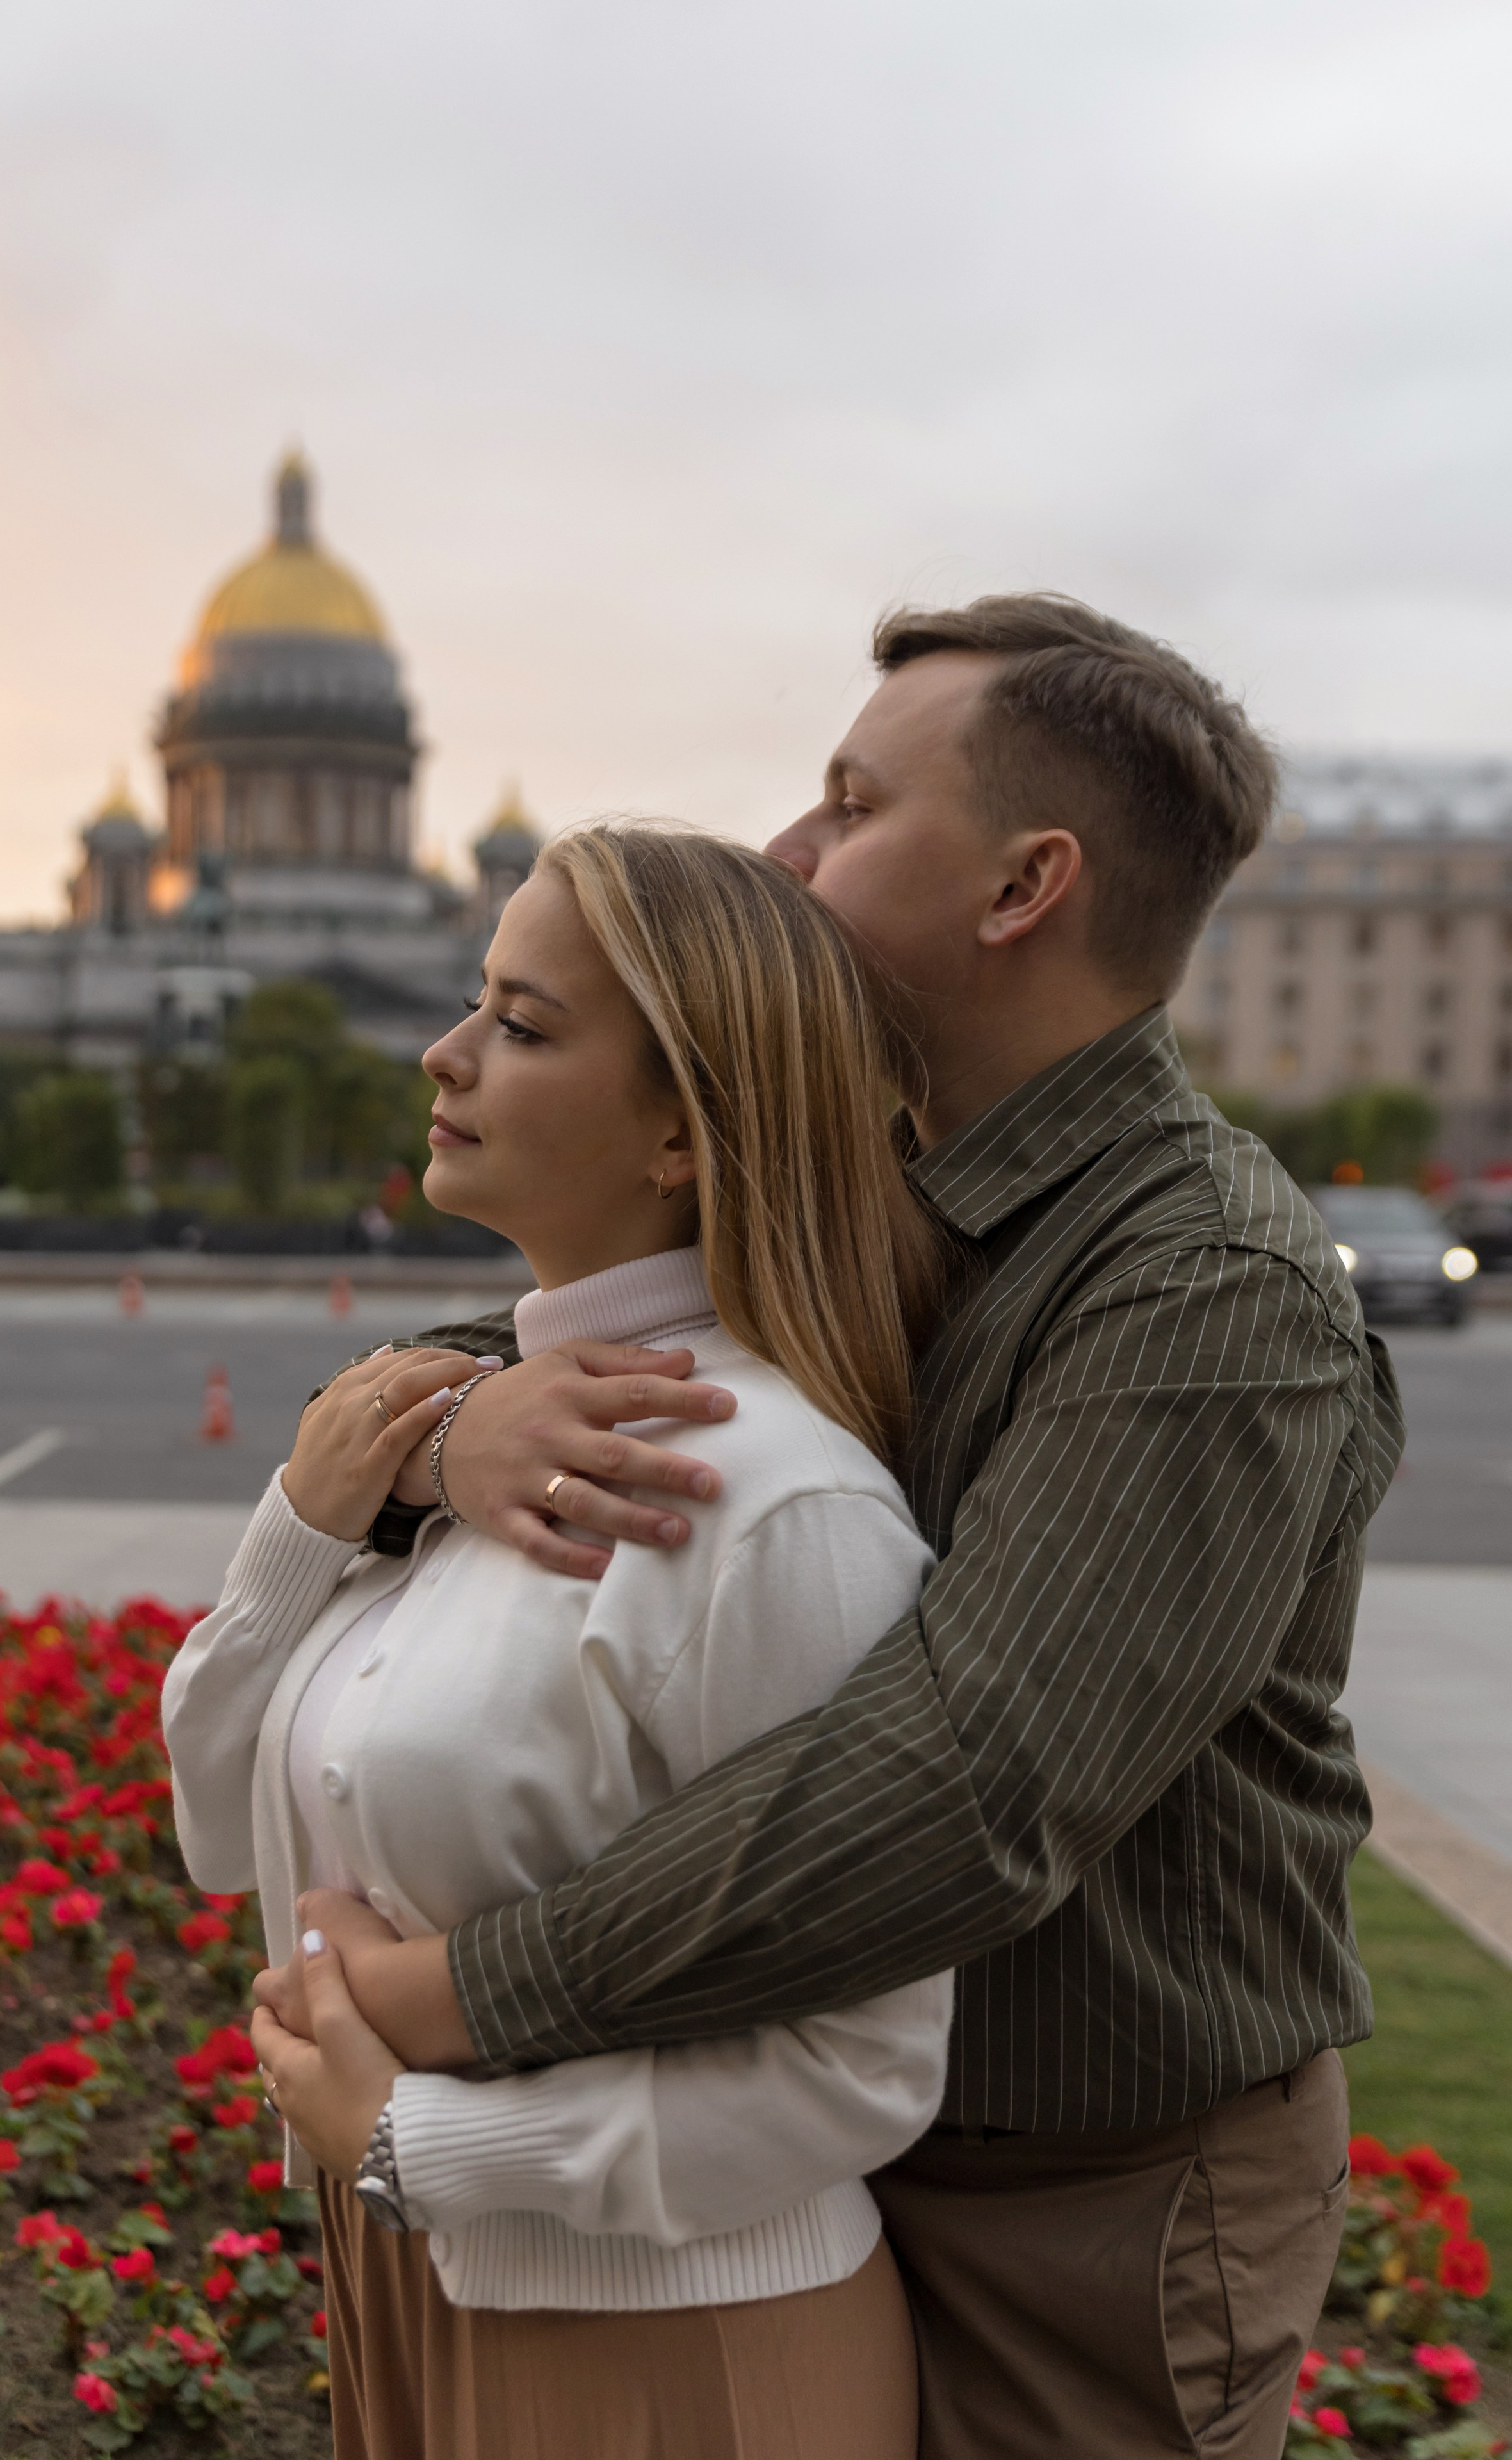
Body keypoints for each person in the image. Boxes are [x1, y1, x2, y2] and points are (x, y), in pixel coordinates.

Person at [277, 595, 1405, 2460]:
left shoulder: (1205, 1287)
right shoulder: (909, 1179)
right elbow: (608, 1330)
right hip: (802, 2145)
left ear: (1024, 884)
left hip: (1083, 2195)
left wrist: (461, 1996)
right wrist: (450, 1426)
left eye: (852, 801)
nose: (791, 852)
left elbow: (964, 1783)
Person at [163, 821, 960, 2460]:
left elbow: (865, 2064)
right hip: (407, 2291)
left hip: (682, 2344)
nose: (444, 1054)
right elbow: (206, 1807)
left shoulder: (770, 1499)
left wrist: (422, 2147)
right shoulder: (463, 1441)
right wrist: (307, 1516)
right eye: (475, 1003)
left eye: (523, 1027)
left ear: (679, 1130)